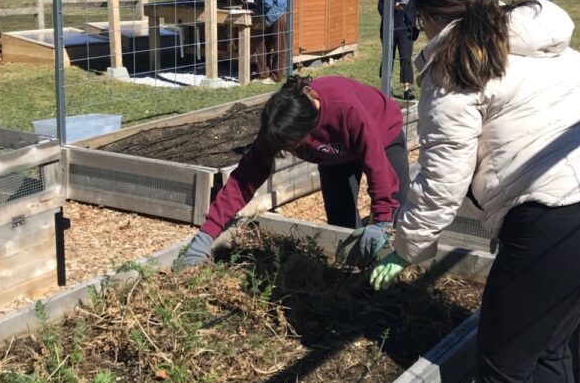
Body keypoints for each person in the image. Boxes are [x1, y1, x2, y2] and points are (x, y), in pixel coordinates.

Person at [369, 0, 580, 383]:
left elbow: (442, 181)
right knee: (547, 348)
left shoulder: (453, 68)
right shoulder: (545, 46)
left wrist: (407, 246)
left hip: (557, 228)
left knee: (503, 365)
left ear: (432, 17)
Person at [175, 74, 410, 269]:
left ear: (310, 133)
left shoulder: (344, 107)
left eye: (292, 146)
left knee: (396, 216)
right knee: (342, 228)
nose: (287, 151)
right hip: (335, 157)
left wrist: (381, 219)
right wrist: (206, 236)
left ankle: (399, 285)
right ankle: (357, 282)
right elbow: (244, 179)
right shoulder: (280, 124)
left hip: (382, 134)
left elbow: (377, 164)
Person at [235, 0, 288, 84]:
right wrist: (249, 5)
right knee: (263, 44)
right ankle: (264, 74)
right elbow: (264, 2)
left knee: (279, 46)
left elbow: (267, 5)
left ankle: (276, 77)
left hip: (277, 15)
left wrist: (255, 11)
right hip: (271, 16)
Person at [377, 0, 418, 100]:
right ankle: (387, 85)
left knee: (406, 59)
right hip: (390, 30)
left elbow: (417, 8)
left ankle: (407, 89)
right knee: (389, 58)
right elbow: (381, 8)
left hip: (407, 31)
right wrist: (393, 6)